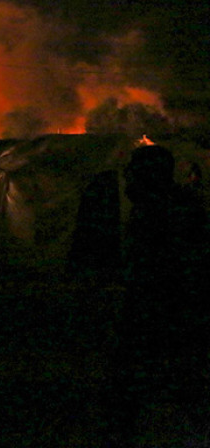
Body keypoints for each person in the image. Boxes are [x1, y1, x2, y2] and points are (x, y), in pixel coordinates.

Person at [104, 145, 208, 442]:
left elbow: (173, 265)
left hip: (163, 309)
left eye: (134, 171)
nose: (128, 178)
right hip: (167, 309)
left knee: (146, 382)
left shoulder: (163, 210)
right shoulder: (173, 206)